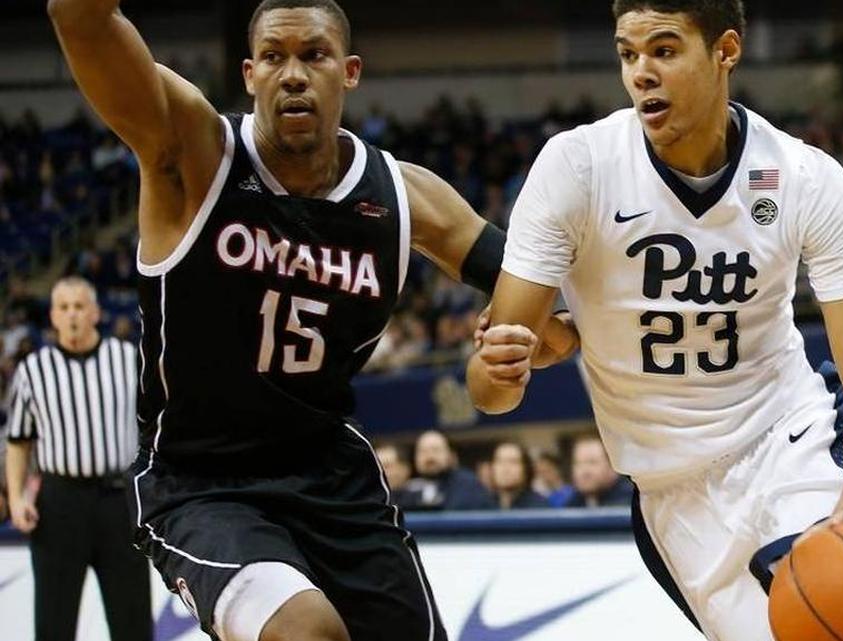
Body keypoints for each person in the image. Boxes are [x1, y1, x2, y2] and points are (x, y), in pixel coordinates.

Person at [47, 1, 572, 640]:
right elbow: (81, 21)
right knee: (305, 632)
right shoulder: (191, 153)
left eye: (313, 55)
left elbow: (542, 295)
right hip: (204, 481)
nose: (292, 74)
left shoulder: (405, 197)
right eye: (274, 57)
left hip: (332, 476)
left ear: (348, 72)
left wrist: (544, 339)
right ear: (248, 74)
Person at [466, 2, 843, 640]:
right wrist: (499, 369)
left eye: (665, 51)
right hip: (670, 485)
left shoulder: (804, 178)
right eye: (628, 54)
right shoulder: (577, 167)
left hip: (788, 438)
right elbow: (491, 392)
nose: (641, 72)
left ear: (724, 50)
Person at [5, 277, 151, 641]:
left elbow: (154, 430)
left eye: (80, 306)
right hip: (59, 504)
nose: (73, 314)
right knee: (54, 621)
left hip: (119, 503)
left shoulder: (128, 360)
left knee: (132, 620)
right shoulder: (32, 371)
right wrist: (19, 496)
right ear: (53, 316)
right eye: (65, 307)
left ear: (96, 312)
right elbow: (19, 442)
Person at [402, 430, 494, 510]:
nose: (429, 457)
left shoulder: (467, 485)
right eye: (423, 451)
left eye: (435, 450)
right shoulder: (408, 491)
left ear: (450, 456)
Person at [564, 435, 634, 508]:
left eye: (592, 462)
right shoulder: (572, 503)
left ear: (612, 465)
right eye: (578, 463)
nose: (584, 471)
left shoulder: (630, 501)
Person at [489, 441, 548, 509]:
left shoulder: (539, 507)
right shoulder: (484, 504)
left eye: (513, 462)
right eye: (499, 461)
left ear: (525, 469)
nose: (505, 469)